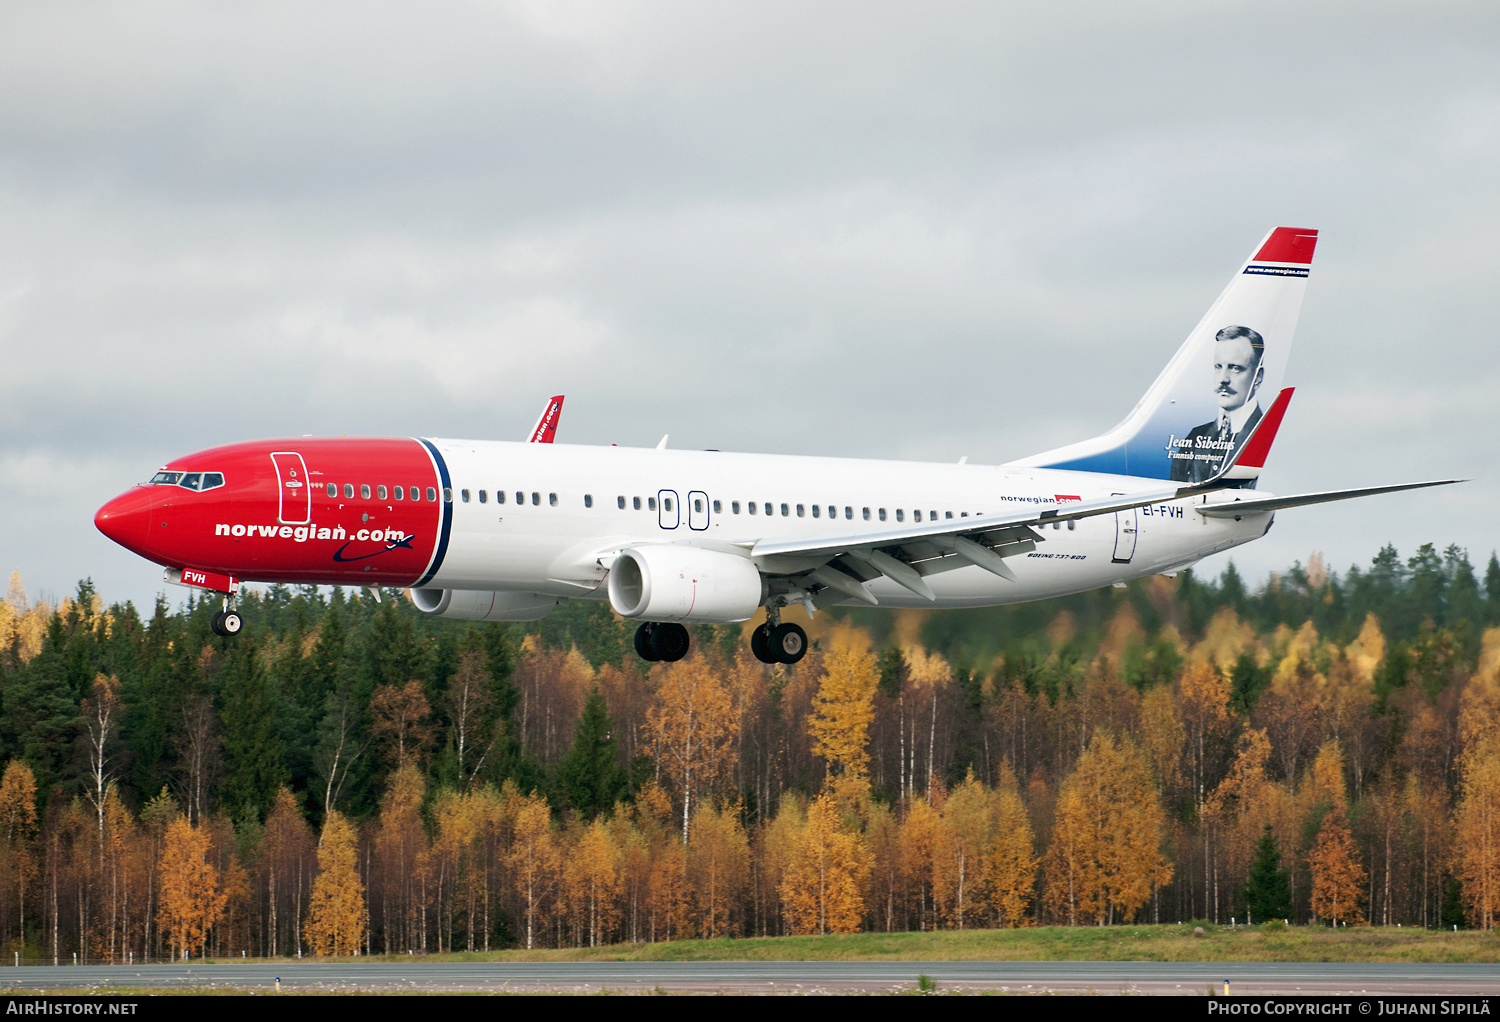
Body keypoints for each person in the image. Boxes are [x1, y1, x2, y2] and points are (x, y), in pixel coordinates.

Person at [1168, 325, 1265, 483]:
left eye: (1235, 368)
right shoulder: (1194, 437)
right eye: (1218, 367)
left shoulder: (1262, 433)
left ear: (1258, 377)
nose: (1223, 379)